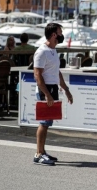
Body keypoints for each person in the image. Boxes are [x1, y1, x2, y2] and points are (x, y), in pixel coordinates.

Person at [33, 23, 73, 166]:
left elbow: (57, 73)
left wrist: (66, 90)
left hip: (53, 88)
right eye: (60, 33)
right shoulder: (42, 51)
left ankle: (42, 151)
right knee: (44, 122)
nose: (62, 35)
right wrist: (47, 94)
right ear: (54, 35)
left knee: (47, 122)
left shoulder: (53, 51)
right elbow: (37, 75)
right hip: (45, 89)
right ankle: (38, 153)